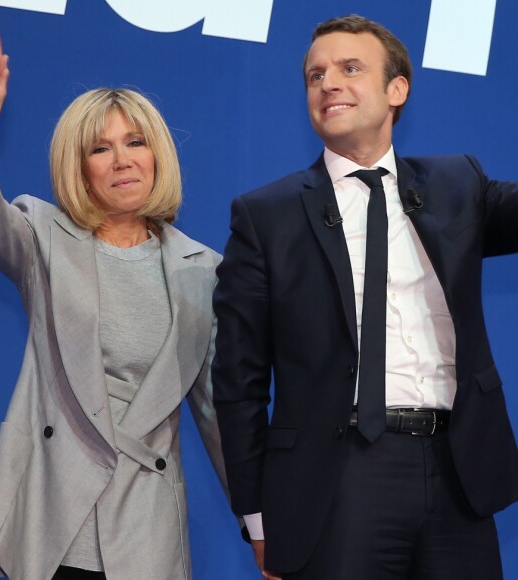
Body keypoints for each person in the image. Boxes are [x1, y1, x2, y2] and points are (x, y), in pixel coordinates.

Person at [212, 13, 518, 580]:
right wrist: (256, 514)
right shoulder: (265, 216)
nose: (328, 83)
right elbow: (237, 379)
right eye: (315, 75)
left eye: (350, 68)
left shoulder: (458, 184)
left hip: (460, 471)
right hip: (340, 477)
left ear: (396, 89)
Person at [0, 11, 229, 580]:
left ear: (158, 154)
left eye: (135, 142)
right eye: (100, 149)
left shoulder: (204, 270)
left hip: (145, 526)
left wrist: (260, 520)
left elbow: (217, 411)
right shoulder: (41, 235)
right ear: (79, 167)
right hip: (52, 520)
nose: (122, 159)